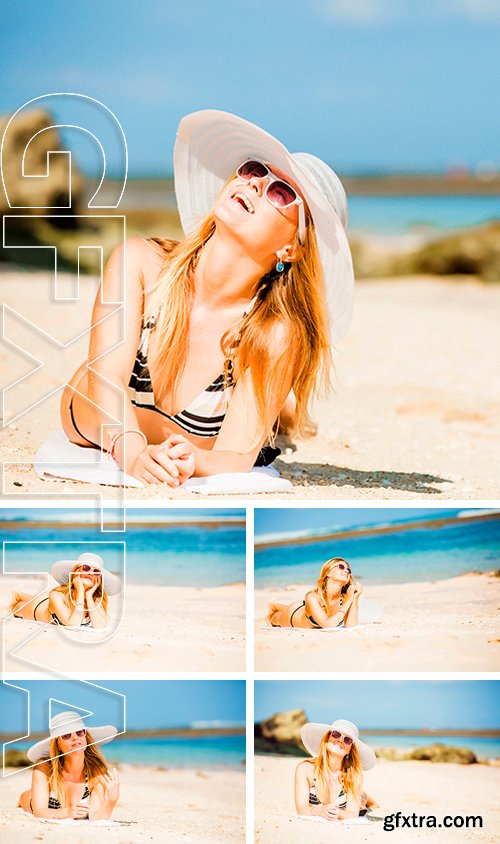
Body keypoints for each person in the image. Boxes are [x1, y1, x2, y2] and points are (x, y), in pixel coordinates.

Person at [60, 109, 354, 486]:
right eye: (252, 170)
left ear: (291, 250)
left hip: (226, 400)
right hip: (95, 418)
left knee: (267, 407)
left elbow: (234, 456)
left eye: (281, 193)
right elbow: (106, 376)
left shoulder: (273, 334)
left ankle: (282, 410)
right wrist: (134, 455)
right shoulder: (141, 264)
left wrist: (192, 459)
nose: (255, 185)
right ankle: (282, 410)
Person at [17, 711, 119, 821]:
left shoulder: (96, 773)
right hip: (29, 801)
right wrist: (68, 812)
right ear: (57, 745)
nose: (75, 738)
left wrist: (112, 801)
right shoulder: (45, 767)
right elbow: (39, 811)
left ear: (86, 737)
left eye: (79, 732)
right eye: (66, 735)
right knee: (26, 796)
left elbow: (95, 817)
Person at [9, 552, 121, 628]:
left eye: (96, 571)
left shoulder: (96, 600)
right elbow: (74, 624)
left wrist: (88, 596)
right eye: (86, 568)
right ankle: (18, 594)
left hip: (54, 602)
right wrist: (80, 591)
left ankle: (20, 593)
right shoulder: (56, 595)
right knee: (17, 608)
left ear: (99, 579)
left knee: (35, 598)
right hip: (35, 609)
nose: (90, 573)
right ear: (75, 572)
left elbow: (100, 626)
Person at [295, 718, 377, 821]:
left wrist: (336, 812)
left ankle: (367, 799)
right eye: (336, 734)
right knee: (360, 795)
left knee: (362, 799)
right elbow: (301, 809)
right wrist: (319, 811)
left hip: (354, 793)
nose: (340, 740)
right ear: (327, 737)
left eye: (347, 740)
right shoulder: (305, 769)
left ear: (350, 750)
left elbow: (352, 814)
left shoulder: (353, 775)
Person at [266, 557, 363, 628]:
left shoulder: (346, 597)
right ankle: (273, 606)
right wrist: (349, 600)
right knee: (276, 618)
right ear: (328, 573)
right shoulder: (312, 597)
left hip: (307, 607)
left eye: (348, 570)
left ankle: (275, 605)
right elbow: (328, 625)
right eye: (341, 567)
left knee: (303, 607)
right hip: (293, 614)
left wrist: (354, 599)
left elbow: (351, 626)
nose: (346, 571)